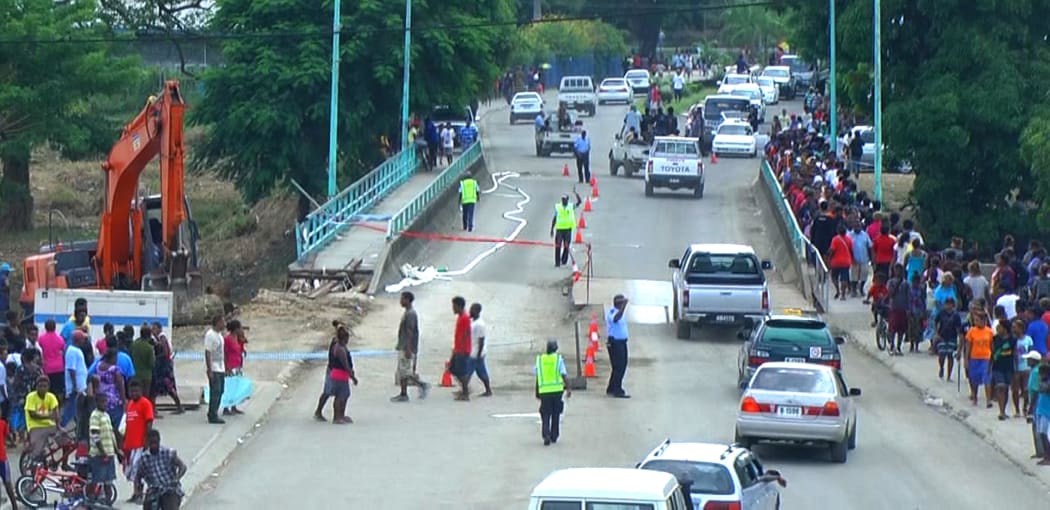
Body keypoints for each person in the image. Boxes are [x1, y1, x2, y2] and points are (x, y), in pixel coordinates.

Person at [134, 429, 187, 510]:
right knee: (148, 506)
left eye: (155, 442)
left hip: (169, 487)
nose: (153, 446)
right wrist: (138, 492)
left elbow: (182, 467)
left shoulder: (168, 453)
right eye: (151, 443)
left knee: (170, 505)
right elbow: (138, 476)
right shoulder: (144, 458)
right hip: (154, 489)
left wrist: (176, 478)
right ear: (147, 442)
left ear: (159, 440)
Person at [391, 292, 429, 402]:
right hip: (404, 346)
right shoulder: (408, 312)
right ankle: (405, 392)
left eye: (402, 299)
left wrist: (408, 348)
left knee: (405, 371)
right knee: (404, 371)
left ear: (408, 300)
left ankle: (417, 387)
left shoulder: (410, 314)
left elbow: (409, 332)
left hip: (407, 347)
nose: (400, 301)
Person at [123, 380, 154, 504]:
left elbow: (149, 422)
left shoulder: (145, 404)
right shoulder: (130, 404)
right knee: (131, 471)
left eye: (136, 391)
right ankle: (135, 493)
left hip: (140, 444)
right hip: (130, 444)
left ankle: (140, 494)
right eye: (131, 391)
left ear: (141, 391)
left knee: (138, 471)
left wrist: (147, 440)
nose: (134, 393)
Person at [535, 340, 570, 446]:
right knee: (556, 414)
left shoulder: (540, 360)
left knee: (545, 414)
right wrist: (568, 388)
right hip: (557, 390)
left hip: (544, 391)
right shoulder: (558, 359)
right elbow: (564, 374)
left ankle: (546, 435)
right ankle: (554, 436)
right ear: (556, 349)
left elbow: (538, 376)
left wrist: (536, 390)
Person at [215, 320, 253, 416]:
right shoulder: (227, 340)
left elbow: (243, 344)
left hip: (238, 364)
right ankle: (226, 407)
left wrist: (242, 338)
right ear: (235, 329)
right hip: (230, 365)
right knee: (229, 387)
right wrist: (226, 367)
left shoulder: (238, 339)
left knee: (236, 386)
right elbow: (224, 353)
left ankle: (234, 406)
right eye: (239, 328)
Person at [88, 390, 117, 497]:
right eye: (102, 402)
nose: (104, 404)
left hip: (109, 453)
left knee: (108, 481)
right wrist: (103, 452)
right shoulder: (95, 415)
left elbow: (111, 434)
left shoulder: (106, 415)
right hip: (99, 454)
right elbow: (95, 436)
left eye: (106, 402)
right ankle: (91, 500)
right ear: (97, 403)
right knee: (97, 480)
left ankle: (108, 502)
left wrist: (117, 450)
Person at [150, 322, 183, 415]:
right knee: (164, 388)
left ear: (160, 329)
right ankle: (178, 406)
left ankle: (178, 407)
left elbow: (165, 352)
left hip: (163, 367)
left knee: (164, 387)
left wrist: (156, 358)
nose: (153, 331)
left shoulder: (162, 338)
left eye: (154, 329)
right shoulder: (158, 339)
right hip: (164, 366)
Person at [327, 326, 357, 425]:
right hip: (339, 375)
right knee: (340, 396)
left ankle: (342, 415)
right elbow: (345, 365)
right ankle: (337, 417)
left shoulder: (341, 346)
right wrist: (352, 377)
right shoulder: (340, 349)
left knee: (345, 395)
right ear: (345, 338)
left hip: (341, 375)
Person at [965, 312, 995, 407]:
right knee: (974, 379)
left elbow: (992, 346)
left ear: (984, 321)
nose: (976, 322)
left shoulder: (989, 332)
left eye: (977, 320)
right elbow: (968, 346)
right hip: (974, 358)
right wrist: (966, 359)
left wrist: (993, 359)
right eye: (975, 320)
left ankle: (988, 400)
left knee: (987, 378)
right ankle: (975, 397)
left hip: (986, 358)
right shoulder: (971, 331)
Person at [25, 375, 58, 457]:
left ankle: (64, 463)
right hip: (35, 426)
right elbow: (33, 415)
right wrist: (49, 416)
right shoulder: (30, 397)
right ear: (36, 387)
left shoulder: (51, 397)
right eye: (40, 386)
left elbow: (56, 414)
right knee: (36, 452)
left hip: (49, 425)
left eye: (45, 386)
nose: (42, 388)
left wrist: (59, 426)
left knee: (66, 441)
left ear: (48, 387)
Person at [62, 330, 89, 428]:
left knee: (77, 408)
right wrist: (74, 385)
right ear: (79, 340)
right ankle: (63, 425)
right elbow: (71, 369)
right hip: (76, 386)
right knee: (72, 407)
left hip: (80, 385)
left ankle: (76, 427)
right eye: (83, 339)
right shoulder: (72, 351)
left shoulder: (77, 350)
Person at [606, 294, 630, 398]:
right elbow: (615, 319)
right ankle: (617, 389)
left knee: (620, 366)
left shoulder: (620, 313)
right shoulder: (613, 312)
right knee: (619, 367)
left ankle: (611, 388)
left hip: (621, 342)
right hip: (615, 343)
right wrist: (624, 307)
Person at [991, 320, 1016, 420]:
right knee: (1000, 387)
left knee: (1006, 389)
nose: (997, 329)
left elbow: (1015, 354)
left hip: (1008, 367)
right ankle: (1001, 412)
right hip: (997, 367)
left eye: (999, 327)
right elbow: (992, 353)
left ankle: (1003, 410)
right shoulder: (994, 339)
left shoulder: (1012, 340)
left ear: (1005, 329)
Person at [203, 315, 226, 425]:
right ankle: (212, 414)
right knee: (215, 391)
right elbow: (208, 352)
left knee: (220, 390)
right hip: (214, 367)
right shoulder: (210, 335)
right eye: (222, 322)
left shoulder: (220, 335)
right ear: (217, 322)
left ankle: (215, 411)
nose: (224, 324)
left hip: (221, 367)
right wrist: (209, 369)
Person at [550, 191, 582, 268]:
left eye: (564, 199)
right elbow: (555, 218)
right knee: (558, 245)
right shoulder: (558, 207)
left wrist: (576, 194)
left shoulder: (571, 206)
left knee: (566, 246)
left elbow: (579, 202)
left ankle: (564, 260)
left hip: (568, 229)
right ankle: (557, 262)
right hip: (559, 229)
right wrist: (552, 228)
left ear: (567, 200)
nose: (563, 201)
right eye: (562, 199)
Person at [934, 297, 963, 381]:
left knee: (950, 356)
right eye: (947, 304)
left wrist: (959, 340)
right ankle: (942, 367)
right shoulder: (941, 313)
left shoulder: (956, 316)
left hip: (952, 337)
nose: (948, 306)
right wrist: (936, 333)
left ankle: (949, 375)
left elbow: (958, 329)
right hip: (942, 336)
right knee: (941, 355)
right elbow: (936, 322)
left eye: (950, 304)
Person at [449, 296, 473, 401]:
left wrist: (462, 350)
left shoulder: (465, 318)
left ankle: (466, 392)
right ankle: (464, 389)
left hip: (462, 350)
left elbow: (465, 335)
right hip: (458, 349)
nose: (453, 309)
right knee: (453, 369)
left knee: (461, 372)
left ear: (459, 306)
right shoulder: (460, 317)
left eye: (454, 306)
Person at [38, 319, 66, 406]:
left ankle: (47, 405)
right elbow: (62, 350)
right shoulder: (60, 339)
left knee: (48, 389)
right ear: (55, 327)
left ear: (45, 327)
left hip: (47, 368)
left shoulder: (41, 339)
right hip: (59, 367)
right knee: (59, 389)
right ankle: (59, 406)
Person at [469, 303, 493, 397]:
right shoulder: (473, 322)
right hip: (473, 351)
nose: (470, 311)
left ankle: (465, 392)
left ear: (477, 311)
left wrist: (478, 355)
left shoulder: (479, 325)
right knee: (481, 372)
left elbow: (481, 340)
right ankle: (488, 390)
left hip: (476, 353)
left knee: (467, 372)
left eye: (472, 310)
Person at [130, 324, 156, 406]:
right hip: (146, 376)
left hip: (135, 374)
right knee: (145, 396)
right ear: (149, 335)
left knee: (134, 395)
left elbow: (130, 356)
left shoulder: (134, 345)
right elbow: (151, 364)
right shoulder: (149, 348)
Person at [1014, 319, 1035, 418]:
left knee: (1026, 389)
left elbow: (1030, 352)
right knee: (1015, 389)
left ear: (1021, 328)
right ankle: (1017, 410)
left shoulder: (1028, 339)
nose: (1014, 329)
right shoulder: (1013, 340)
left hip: (1026, 367)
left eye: (1015, 327)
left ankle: (1025, 407)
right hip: (1015, 367)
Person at [0, 412, 18, 509]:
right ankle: (15, 507)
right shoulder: (3, 424)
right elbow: (9, 438)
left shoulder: (3, 424)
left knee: (8, 484)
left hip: (2, 458)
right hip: (2, 459)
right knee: (7, 483)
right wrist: (12, 441)